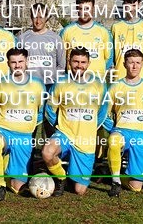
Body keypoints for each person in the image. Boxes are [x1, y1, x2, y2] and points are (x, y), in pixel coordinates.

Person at [42, 46, 111, 196]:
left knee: (80, 190)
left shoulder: (99, 84)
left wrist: (91, 127)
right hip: (64, 133)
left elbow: (103, 111)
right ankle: (61, 178)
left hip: (85, 140)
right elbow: (50, 110)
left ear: (88, 63)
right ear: (69, 62)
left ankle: (72, 171)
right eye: (75, 61)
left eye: (83, 62)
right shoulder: (60, 83)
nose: (79, 65)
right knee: (47, 152)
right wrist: (59, 127)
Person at [0, 47, 46, 201]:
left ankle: (6, 170)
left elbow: (40, 112)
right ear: (8, 64)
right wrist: (2, 126)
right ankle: (0, 185)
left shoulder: (38, 85)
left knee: (18, 187)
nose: (17, 65)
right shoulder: (0, 84)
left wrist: (29, 125)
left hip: (24, 136)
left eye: (20, 61)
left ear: (27, 62)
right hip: (4, 130)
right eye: (13, 62)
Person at [106, 49, 143, 197]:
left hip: (142, 135)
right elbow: (103, 113)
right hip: (122, 131)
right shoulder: (116, 87)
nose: (134, 66)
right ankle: (115, 181)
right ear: (124, 64)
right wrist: (113, 129)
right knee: (114, 141)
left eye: (138, 63)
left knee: (136, 187)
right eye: (131, 62)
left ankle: (119, 175)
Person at [17, 3, 66, 137]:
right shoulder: (22, 38)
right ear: (31, 17)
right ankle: (29, 155)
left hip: (50, 86)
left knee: (49, 123)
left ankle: (48, 155)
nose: (38, 21)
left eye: (41, 17)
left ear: (47, 18)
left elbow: (62, 65)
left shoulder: (55, 38)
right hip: (30, 87)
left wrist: (54, 82)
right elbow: (18, 63)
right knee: (29, 122)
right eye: (35, 17)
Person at [60, 0, 113, 80]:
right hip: (73, 81)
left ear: (93, 9)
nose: (84, 12)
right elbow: (61, 59)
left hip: (97, 82)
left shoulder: (104, 32)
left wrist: (96, 72)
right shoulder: (66, 31)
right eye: (81, 9)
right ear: (77, 10)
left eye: (87, 9)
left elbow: (109, 59)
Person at [111, 0, 143, 81]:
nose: (131, 9)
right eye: (128, 5)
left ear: (140, 5)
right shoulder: (116, 27)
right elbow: (112, 54)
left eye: (134, 5)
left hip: (141, 76)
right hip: (120, 76)